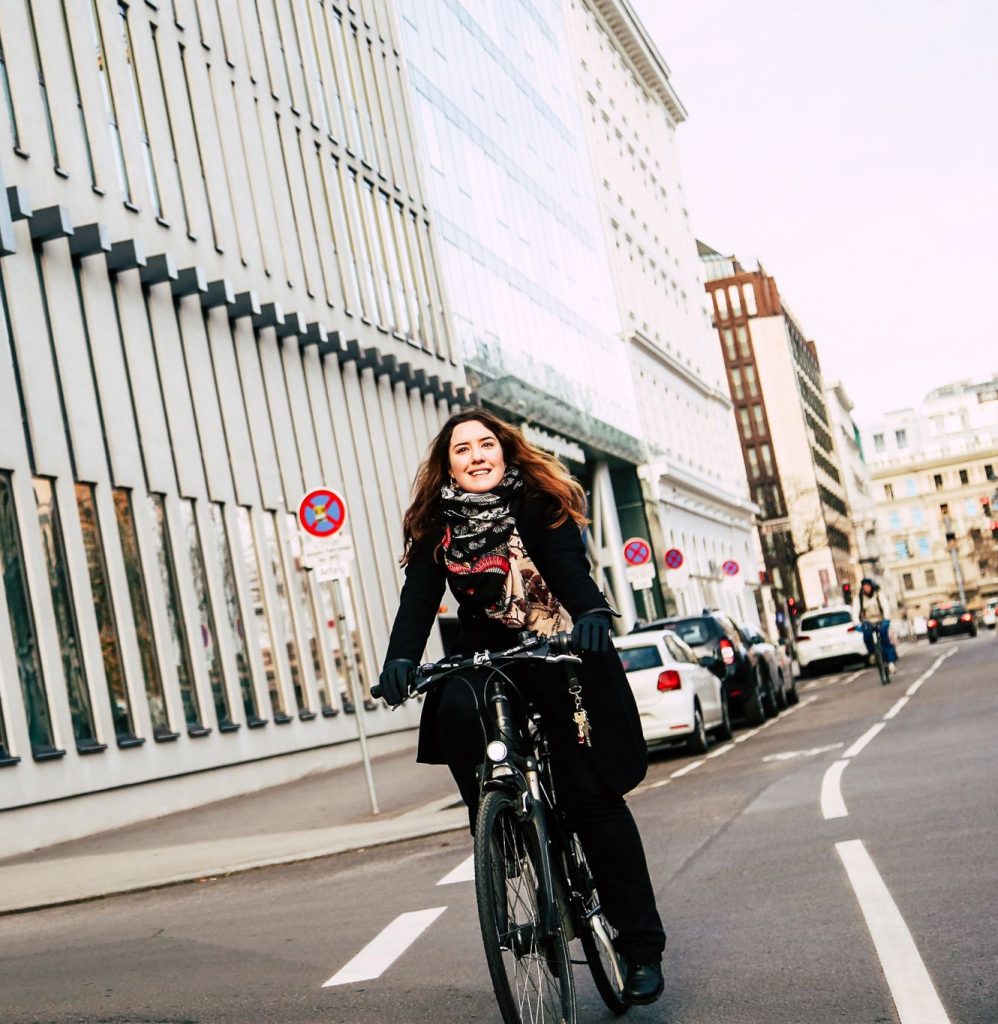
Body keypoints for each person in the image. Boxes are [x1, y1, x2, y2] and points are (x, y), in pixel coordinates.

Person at [378, 408, 666, 1005]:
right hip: (491, 656)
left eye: (487, 444)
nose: (477, 455)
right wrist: (400, 660)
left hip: (559, 649)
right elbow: (418, 599)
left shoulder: (537, 502)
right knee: (453, 700)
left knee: (591, 800)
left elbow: (565, 567)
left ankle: (640, 949)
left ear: (505, 452)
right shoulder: (439, 527)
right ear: (447, 464)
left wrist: (590, 613)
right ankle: (498, 819)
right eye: (463, 449)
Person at [857, 577, 897, 676]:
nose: (866, 588)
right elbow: (855, 611)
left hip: (880, 619)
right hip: (868, 621)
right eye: (864, 586)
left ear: (872, 586)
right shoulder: (859, 597)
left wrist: (887, 619)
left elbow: (885, 606)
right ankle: (873, 653)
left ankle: (891, 663)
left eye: (868, 586)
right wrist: (857, 625)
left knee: (885, 639)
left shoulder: (879, 594)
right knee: (866, 636)